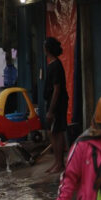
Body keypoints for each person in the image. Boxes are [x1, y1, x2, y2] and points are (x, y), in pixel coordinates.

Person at [44, 37, 69, 174]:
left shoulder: (56, 66)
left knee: (57, 132)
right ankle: (56, 162)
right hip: (52, 102)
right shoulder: (51, 65)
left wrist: (51, 110)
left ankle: (60, 164)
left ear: (48, 49)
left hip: (58, 104)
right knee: (52, 132)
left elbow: (57, 89)